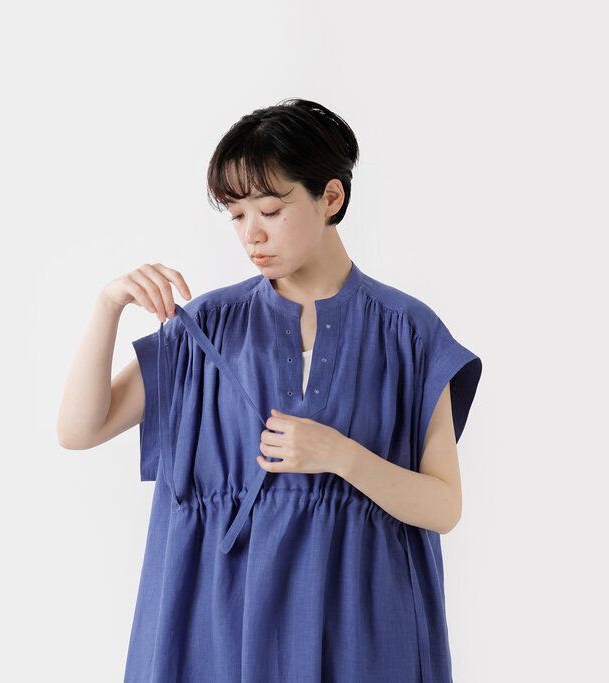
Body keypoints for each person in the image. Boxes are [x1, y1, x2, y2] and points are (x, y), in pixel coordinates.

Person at [57, 98, 482, 682]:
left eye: (271, 209)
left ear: (330, 197)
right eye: (236, 215)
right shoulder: (207, 329)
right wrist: (108, 306)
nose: (251, 234)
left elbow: (444, 507)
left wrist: (340, 456)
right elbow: (79, 429)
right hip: (219, 627)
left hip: (362, 629)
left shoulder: (407, 333)